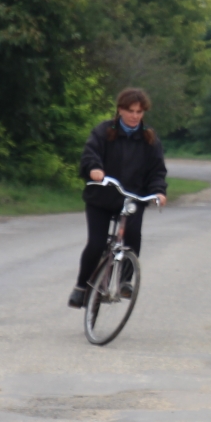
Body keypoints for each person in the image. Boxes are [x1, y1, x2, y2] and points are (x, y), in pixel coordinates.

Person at [68, 88, 168, 308]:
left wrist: (159, 191)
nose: (135, 116)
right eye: (130, 111)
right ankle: (81, 287)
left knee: (133, 236)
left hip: (132, 199)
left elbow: (157, 171)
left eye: (139, 112)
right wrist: (94, 169)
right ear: (120, 110)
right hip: (101, 198)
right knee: (95, 243)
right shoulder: (104, 131)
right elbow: (90, 153)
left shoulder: (149, 138)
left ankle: (124, 280)